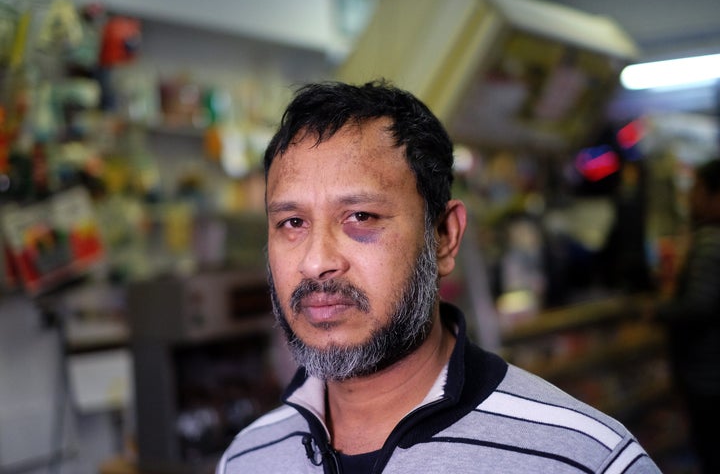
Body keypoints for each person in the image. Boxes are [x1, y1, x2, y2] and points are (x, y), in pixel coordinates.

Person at [216, 80, 660, 473]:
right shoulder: (248, 458)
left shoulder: (582, 458)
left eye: (361, 216)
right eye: (292, 223)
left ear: (445, 237)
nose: (316, 262)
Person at [646, 158, 720, 474]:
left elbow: (699, 305)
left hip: (708, 371)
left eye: (697, 190)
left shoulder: (709, 241)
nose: (691, 198)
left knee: (711, 445)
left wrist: (659, 311)